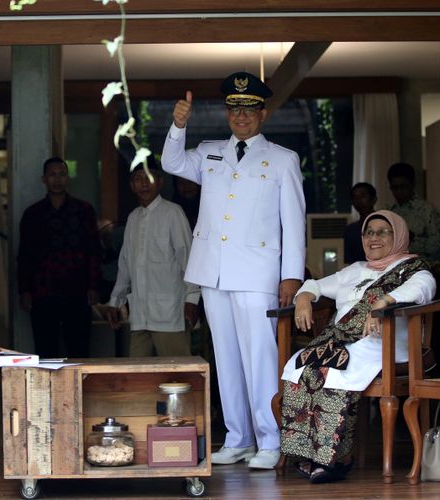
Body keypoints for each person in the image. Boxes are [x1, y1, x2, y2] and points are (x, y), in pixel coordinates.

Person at [161, 72, 306, 469]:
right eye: (235, 109)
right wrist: (178, 124)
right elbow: (171, 162)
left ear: (263, 113)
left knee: (260, 358)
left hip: (258, 274)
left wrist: (290, 275)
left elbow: (294, 222)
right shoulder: (209, 152)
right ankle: (238, 437)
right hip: (214, 272)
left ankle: (270, 440)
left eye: (250, 110)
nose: (242, 117)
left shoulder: (282, 159)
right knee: (225, 358)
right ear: (228, 113)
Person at [281, 210, 436, 483]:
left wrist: (385, 301)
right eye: (368, 232)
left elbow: (425, 288)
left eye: (382, 232)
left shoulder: (412, 268)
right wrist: (304, 297)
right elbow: (315, 285)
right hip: (343, 341)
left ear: (398, 236)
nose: (373, 238)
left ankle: (337, 459)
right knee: (299, 364)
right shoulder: (355, 270)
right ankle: (307, 454)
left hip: (383, 342)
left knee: (336, 367)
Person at [106, 164, 200, 356]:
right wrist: (115, 301)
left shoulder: (173, 212)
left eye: (149, 178)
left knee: (176, 375)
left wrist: (192, 298)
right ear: (132, 185)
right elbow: (125, 265)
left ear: (160, 182)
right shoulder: (133, 218)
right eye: (138, 179)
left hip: (170, 313)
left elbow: (188, 258)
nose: (144, 184)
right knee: (139, 375)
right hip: (139, 314)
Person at [17, 157, 102, 359]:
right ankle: (48, 391)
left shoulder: (84, 211)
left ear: (68, 177)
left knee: (79, 349)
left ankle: (80, 391)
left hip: (77, 289)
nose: (57, 179)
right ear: (44, 179)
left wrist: (94, 286)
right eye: (52, 175)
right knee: (45, 349)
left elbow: (94, 250)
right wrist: (24, 290)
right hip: (43, 291)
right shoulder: (33, 214)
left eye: (62, 174)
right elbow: (25, 255)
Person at [387, 162, 440, 265]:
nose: (399, 191)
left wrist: (411, 241)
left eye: (403, 187)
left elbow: (439, 242)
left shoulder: (426, 210)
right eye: (395, 188)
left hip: (423, 267)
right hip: (396, 269)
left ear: (413, 184)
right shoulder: (389, 212)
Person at [343, 182, 377, 264]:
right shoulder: (350, 230)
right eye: (355, 197)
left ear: (374, 199)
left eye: (363, 196)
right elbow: (349, 261)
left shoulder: (385, 224)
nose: (359, 201)